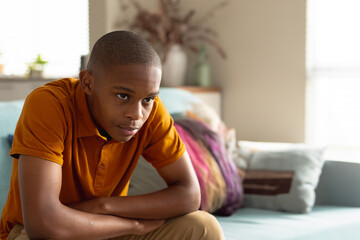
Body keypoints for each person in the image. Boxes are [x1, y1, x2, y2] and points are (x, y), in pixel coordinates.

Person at [0, 31, 224, 240]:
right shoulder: (49, 104)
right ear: (87, 83)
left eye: (148, 99)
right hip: (43, 234)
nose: (136, 114)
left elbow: (189, 194)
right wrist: (132, 226)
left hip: (105, 226)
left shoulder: (152, 110)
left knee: (203, 226)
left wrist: (102, 207)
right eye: (122, 96)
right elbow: (42, 223)